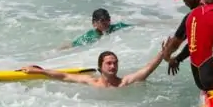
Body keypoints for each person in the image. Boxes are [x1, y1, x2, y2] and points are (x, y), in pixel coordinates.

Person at [20, 41, 167, 88]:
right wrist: (40, 71)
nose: (113, 66)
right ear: (100, 67)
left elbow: (147, 69)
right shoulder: (92, 82)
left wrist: (162, 53)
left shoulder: (124, 82)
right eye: (109, 63)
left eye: (115, 63)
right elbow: (64, 76)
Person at [61, 8, 133, 49]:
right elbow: (73, 45)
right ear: (94, 23)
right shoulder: (90, 36)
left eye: (108, 19)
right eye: (102, 20)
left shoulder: (117, 27)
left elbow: (136, 27)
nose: (106, 22)